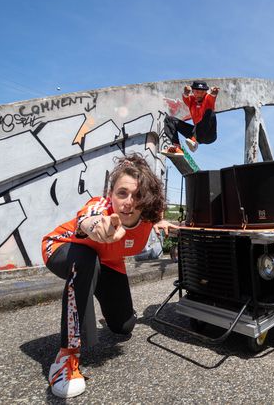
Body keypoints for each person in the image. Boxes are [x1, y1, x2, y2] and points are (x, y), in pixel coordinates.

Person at [41, 153, 175, 398]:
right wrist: (93, 227)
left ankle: (112, 312)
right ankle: (66, 358)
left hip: (108, 263)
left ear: (147, 200)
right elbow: (87, 220)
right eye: (121, 193)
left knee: (124, 327)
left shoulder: (149, 217)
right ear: (111, 194)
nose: (128, 202)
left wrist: (161, 224)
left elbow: (156, 216)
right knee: (85, 260)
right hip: (63, 248)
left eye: (137, 196)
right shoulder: (99, 209)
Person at [162, 80, 219, 156]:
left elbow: (212, 96)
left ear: (205, 92)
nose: (199, 95)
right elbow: (186, 97)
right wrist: (186, 92)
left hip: (209, 134)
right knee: (170, 120)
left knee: (210, 112)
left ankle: (195, 141)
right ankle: (177, 148)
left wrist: (214, 92)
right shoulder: (192, 100)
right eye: (197, 92)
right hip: (196, 133)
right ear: (193, 92)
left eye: (202, 93)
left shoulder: (208, 98)